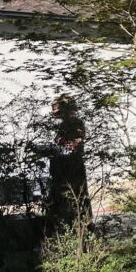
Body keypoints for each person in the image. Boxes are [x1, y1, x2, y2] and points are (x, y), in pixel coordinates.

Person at [48, 94, 91, 231]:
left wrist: (63, 142)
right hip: (63, 166)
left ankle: (83, 229)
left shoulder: (76, 123)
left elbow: (75, 143)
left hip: (73, 165)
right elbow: (58, 141)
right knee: (63, 198)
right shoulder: (63, 125)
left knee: (78, 196)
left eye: (58, 111)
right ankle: (68, 229)